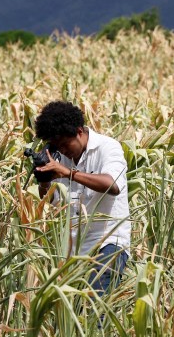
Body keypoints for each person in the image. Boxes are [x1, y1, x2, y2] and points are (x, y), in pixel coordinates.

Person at [33, 100, 130, 295]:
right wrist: (44, 181)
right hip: (75, 251)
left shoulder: (108, 147)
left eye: (64, 144)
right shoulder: (61, 158)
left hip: (108, 244)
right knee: (78, 316)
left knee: (95, 309)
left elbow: (112, 184)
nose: (62, 150)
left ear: (79, 131)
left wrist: (67, 172)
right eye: (57, 146)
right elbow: (53, 200)